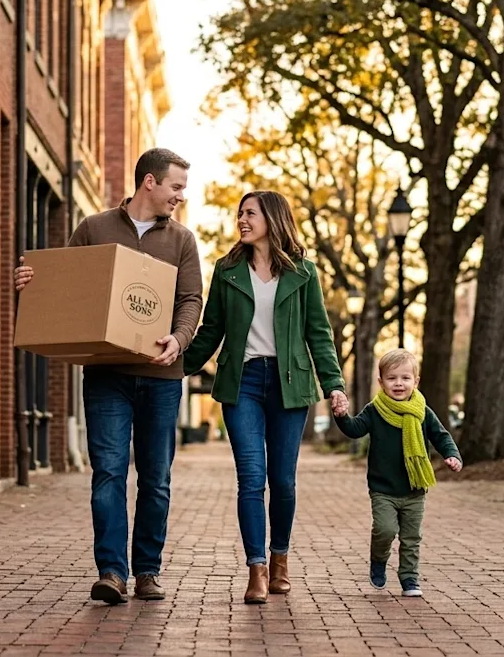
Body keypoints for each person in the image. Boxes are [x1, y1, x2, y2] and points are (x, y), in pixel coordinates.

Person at [13, 148, 202, 605]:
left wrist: (179, 338)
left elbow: (191, 300)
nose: (181, 195)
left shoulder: (182, 239)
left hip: (161, 376)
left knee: (155, 478)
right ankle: (112, 572)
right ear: (150, 182)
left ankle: (147, 571)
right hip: (106, 375)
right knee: (109, 474)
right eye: (176, 186)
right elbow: (68, 285)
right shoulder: (94, 229)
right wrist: (32, 281)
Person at [182, 190, 348, 604]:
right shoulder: (227, 270)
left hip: (291, 386)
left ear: (272, 218)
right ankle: (255, 569)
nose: (241, 219)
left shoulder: (304, 272)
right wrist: (177, 362)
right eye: (240, 213)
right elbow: (211, 329)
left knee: (284, 482)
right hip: (243, 384)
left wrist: (335, 386)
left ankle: (280, 561)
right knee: (252, 479)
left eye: (250, 213)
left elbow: (319, 334)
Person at [332, 348, 462, 598]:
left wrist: (452, 455)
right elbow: (355, 429)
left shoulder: (422, 411)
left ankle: (410, 578)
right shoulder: (375, 410)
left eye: (405, 378)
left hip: (414, 488)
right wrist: (341, 416)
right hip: (383, 489)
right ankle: (378, 559)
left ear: (416, 381)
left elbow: (440, 435)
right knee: (385, 530)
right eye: (392, 378)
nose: (399, 383)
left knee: (411, 538)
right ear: (381, 382)